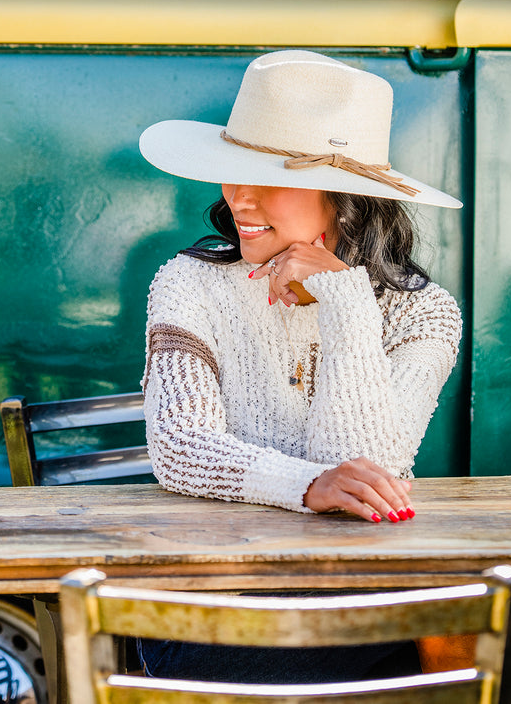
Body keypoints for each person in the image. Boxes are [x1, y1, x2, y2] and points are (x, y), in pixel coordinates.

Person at [136, 50, 463, 683]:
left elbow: (369, 468)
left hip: (356, 595)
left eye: (267, 175)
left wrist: (346, 304)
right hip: (213, 603)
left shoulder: (425, 315)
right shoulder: (189, 285)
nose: (239, 196)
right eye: (232, 171)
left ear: (345, 200)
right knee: (457, 642)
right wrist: (306, 487)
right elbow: (178, 447)